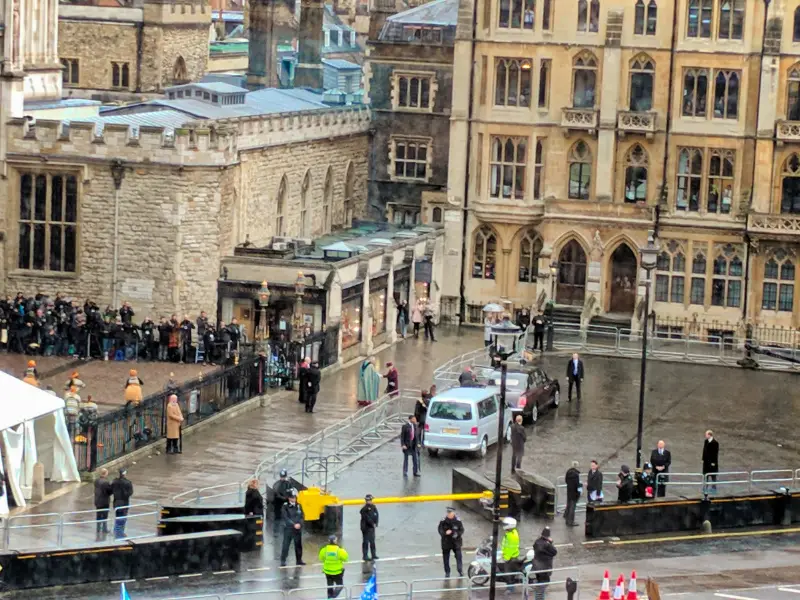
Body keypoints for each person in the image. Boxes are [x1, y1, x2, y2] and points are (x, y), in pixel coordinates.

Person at [280, 489, 305, 566]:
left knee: (298, 545)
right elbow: (285, 517)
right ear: (289, 498)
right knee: (286, 545)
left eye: (295, 497)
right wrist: (293, 524)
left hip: (297, 529)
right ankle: (283, 560)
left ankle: (299, 560)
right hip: (289, 529)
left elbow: (302, 516)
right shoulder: (285, 506)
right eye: (292, 497)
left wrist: (300, 524)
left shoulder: (299, 505)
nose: (294, 499)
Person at [532, 527, 557, 600]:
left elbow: (535, 547)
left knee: (540, 584)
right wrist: (550, 543)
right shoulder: (547, 544)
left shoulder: (537, 542)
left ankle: (539, 597)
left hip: (537, 567)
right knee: (543, 585)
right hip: (545, 568)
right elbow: (554, 552)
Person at [319, 534, 348, 599]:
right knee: (340, 585)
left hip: (327, 571)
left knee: (329, 586)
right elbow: (346, 559)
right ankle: (333, 596)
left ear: (329, 541)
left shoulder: (324, 550)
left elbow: (321, 558)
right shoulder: (339, 550)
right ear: (335, 541)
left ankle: (329, 597)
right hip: (337, 572)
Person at [438, 507, 464, 577]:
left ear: (453, 513)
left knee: (459, 557)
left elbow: (461, 530)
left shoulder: (458, 521)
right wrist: (445, 533)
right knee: (446, 558)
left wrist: (457, 534)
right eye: (448, 513)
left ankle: (460, 570)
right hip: (446, 542)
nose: (449, 514)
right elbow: (440, 530)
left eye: (450, 513)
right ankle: (447, 572)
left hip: (456, 542)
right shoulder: (443, 521)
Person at [111, 468, 134, 539]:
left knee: (117, 517)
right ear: (124, 474)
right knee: (122, 519)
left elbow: (111, 490)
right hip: (124, 503)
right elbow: (130, 493)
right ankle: (119, 533)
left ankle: (116, 531)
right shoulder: (128, 482)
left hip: (116, 502)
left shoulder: (114, 481)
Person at [94, 468, 113, 541]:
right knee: (105, 515)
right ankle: (104, 529)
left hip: (97, 500)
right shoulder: (106, 482)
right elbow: (109, 492)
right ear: (105, 473)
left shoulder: (96, 481)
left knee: (98, 515)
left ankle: (98, 528)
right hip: (104, 501)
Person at [359, 494, 379, 561]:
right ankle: (365, 556)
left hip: (372, 527)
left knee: (372, 541)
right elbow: (367, 518)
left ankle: (373, 555)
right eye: (369, 500)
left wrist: (376, 523)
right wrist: (372, 523)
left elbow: (376, 515)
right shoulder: (364, 509)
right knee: (366, 542)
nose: (370, 501)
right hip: (366, 528)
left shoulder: (373, 507)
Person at [501, 516, 521, 581]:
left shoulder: (511, 537)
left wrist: (506, 558)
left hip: (510, 558)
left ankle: (510, 589)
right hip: (512, 556)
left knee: (508, 574)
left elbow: (510, 549)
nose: (504, 525)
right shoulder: (512, 532)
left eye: (505, 524)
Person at [564, 461, 581, 526]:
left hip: (569, 491)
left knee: (568, 505)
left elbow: (566, 480)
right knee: (572, 507)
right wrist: (579, 492)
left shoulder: (568, 472)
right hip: (574, 493)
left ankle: (567, 519)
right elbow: (577, 485)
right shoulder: (576, 475)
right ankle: (571, 521)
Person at [702, 430, 719, 494]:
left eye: (706, 434)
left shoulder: (715, 443)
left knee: (713, 476)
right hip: (706, 462)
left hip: (712, 463)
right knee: (705, 475)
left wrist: (713, 462)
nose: (705, 436)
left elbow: (715, 453)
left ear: (709, 435)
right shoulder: (706, 441)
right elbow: (704, 451)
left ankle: (714, 488)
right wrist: (703, 459)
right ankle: (705, 487)